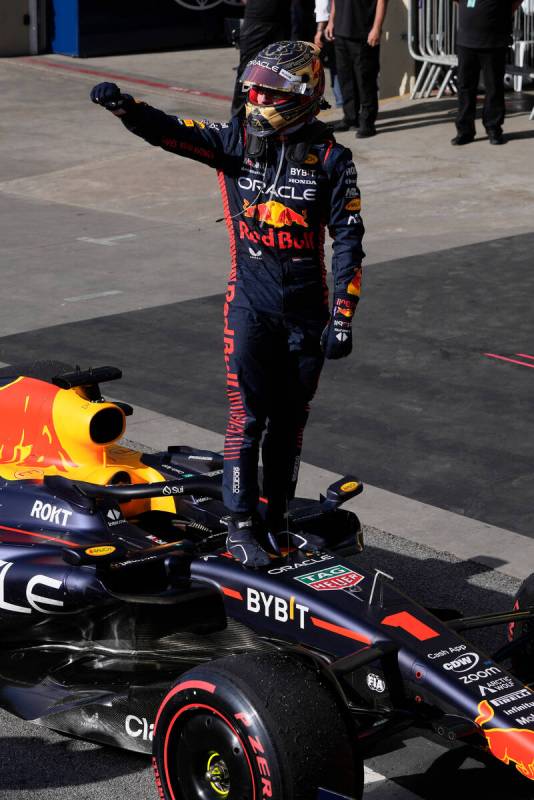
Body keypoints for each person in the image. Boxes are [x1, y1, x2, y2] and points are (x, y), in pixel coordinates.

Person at [90, 41, 364, 568]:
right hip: (249, 306)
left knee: (290, 423)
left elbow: (350, 240)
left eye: (267, 92)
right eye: (252, 90)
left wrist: (343, 318)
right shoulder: (235, 140)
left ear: (302, 96)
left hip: (307, 312)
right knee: (247, 419)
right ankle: (240, 526)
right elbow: (173, 132)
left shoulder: (332, 158)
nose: (255, 99)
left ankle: (277, 519)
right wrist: (129, 110)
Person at [452, 0, 522, 145]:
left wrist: (501, 13)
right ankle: (465, 131)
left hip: (494, 41)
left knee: (494, 87)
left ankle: (493, 129)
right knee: (465, 86)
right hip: (466, 41)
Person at [325, 0, 389, 137]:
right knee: (345, 79)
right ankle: (350, 117)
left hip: (363, 34)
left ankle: (367, 122)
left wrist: (377, 28)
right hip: (341, 32)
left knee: (365, 80)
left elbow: (382, 2)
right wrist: (331, 22)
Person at [231, 0, 291, 117]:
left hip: (285, 19)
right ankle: (238, 121)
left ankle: (276, 117)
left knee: (283, 73)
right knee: (248, 72)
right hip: (258, 19)